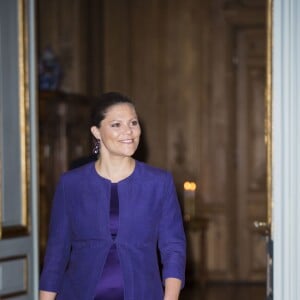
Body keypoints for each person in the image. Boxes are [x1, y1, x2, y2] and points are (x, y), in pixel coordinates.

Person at [39, 92, 186, 300]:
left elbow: (173, 249)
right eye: (116, 124)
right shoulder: (71, 184)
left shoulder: (159, 183)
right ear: (96, 132)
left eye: (133, 123)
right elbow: (56, 254)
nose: (129, 131)